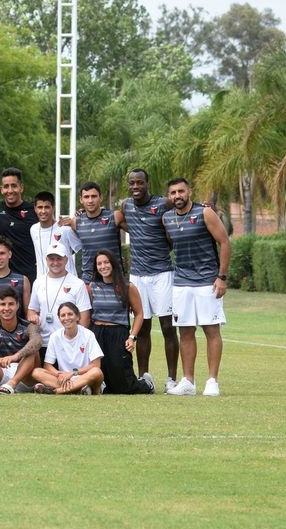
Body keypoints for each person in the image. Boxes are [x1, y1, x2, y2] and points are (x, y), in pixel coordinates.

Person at [162, 177, 231, 397]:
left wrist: (222, 277)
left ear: (189, 191)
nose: (177, 196)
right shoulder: (166, 218)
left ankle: (212, 381)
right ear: (169, 196)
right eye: (173, 193)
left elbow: (225, 242)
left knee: (211, 329)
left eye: (181, 191)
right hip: (181, 283)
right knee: (185, 331)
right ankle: (188, 381)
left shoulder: (205, 213)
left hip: (207, 282)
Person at [119, 168, 179, 390]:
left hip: (162, 274)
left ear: (147, 183)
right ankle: (144, 377)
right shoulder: (126, 205)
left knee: (167, 327)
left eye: (140, 183)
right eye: (132, 183)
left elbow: (181, 212)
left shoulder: (163, 203)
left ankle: (172, 379)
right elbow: (116, 221)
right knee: (142, 328)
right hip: (138, 276)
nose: (136, 187)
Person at [88, 249, 153, 394]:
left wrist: (132, 337)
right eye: (99, 264)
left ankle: (147, 384)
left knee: (124, 387)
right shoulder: (92, 287)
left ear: (113, 264)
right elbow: (90, 313)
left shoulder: (128, 287)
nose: (103, 266)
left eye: (106, 262)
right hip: (97, 333)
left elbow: (139, 313)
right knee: (103, 377)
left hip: (118, 333)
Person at [30, 302, 104, 394]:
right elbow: (47, 366)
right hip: (64, 379)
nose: (66, 318)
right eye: (63, 315)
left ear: (77, 317)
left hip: (84, 377)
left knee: (97, 372)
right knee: (36, 372)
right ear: (59, 318)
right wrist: (59, 374)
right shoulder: (55, 336)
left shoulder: (88, 334)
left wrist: (72, 373)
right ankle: (78, 389)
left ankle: (57, 391)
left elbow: (96, 365)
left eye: (70, 314)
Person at [28, 244, 92, 347]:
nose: (55, 263)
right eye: (51, 259)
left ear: (66, 260)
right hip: (44, 343)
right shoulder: (38, 282)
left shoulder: (78, 284)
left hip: (68, 344)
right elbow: (32, 310)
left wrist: (77, 341)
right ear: (46, 260)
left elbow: (85, 317)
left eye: (59, 259)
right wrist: (33, 316)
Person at [0, 167, 37, 282]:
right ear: (1, 189)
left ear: (21, 187)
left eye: (14, 186)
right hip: (2, 277)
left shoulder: (34, 210)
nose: (10, 190)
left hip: (30, 276)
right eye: (6, 186)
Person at [72, 181, 122, 281]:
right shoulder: (75, 221)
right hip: (88, 279)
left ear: (101, 197)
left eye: (94, 196)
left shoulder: (115, 216)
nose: (90, 200)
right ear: (81, 200)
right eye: (86, 197)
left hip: (114, 278)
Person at [29, 191, 81, 279]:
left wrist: (77, 224)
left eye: (47, 207)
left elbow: (80, 248)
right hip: (43, 284)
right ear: (35, 208)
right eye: (40, 207)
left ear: (53, 208)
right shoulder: (33, 229)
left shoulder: (65, 229)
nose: (43, 211)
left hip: (67, 283)